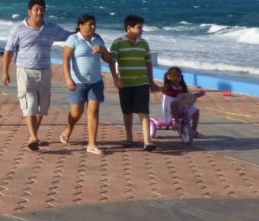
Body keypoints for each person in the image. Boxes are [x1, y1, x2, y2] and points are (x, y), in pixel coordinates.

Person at [1, 0, 72, 151]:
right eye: (36, 10)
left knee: (42, 107)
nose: (39, 12)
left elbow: (70, 36)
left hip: (45, 71)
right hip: (25, 71)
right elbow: (8, 51)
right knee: (29, 104)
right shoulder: (18, 29)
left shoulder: (52, 28)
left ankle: (34, 136)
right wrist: (5, 72)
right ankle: (33, 137)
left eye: (42, 10)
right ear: (29, 12)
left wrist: (86, 30)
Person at [60, 14, 120, 155]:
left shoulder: (98, 39)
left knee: (93, 112)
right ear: (80, 25)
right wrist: (68, 79)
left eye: (94, 24)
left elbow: (109, 59)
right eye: (89, 24)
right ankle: (69, 127)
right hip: (78, 82)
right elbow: (66, 60)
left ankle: (92, 144)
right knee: (76, 113)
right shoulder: (73, 39)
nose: (92, 27)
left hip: (96, 82)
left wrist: (102, 50)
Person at [110, 15, 159, 151]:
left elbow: (148, 63)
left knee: (144, 110)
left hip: (141, 82)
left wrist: (151, 81)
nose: (142, 30)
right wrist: (115, 78)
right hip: (125, 83)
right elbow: (112, 61)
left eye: (142, 27)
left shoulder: (144, 44)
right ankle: (129, 136)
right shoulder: (118, 43)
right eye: (139, 27)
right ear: (129, 28)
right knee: (127, 111)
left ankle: (147, 141)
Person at [161, 66, 204, 135]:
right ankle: (176, 123)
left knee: (196, 111)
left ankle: (193, 130)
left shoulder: (182, 87)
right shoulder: (168, 86)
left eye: (178, 76)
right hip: (170, 109)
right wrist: (157, 88)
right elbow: (162, 89)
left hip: (182, 107)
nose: (176, 78)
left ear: (181, 77)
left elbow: (188, 96)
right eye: (173, 75)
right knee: (175, 103)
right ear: (168, 76)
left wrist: (198, 94)